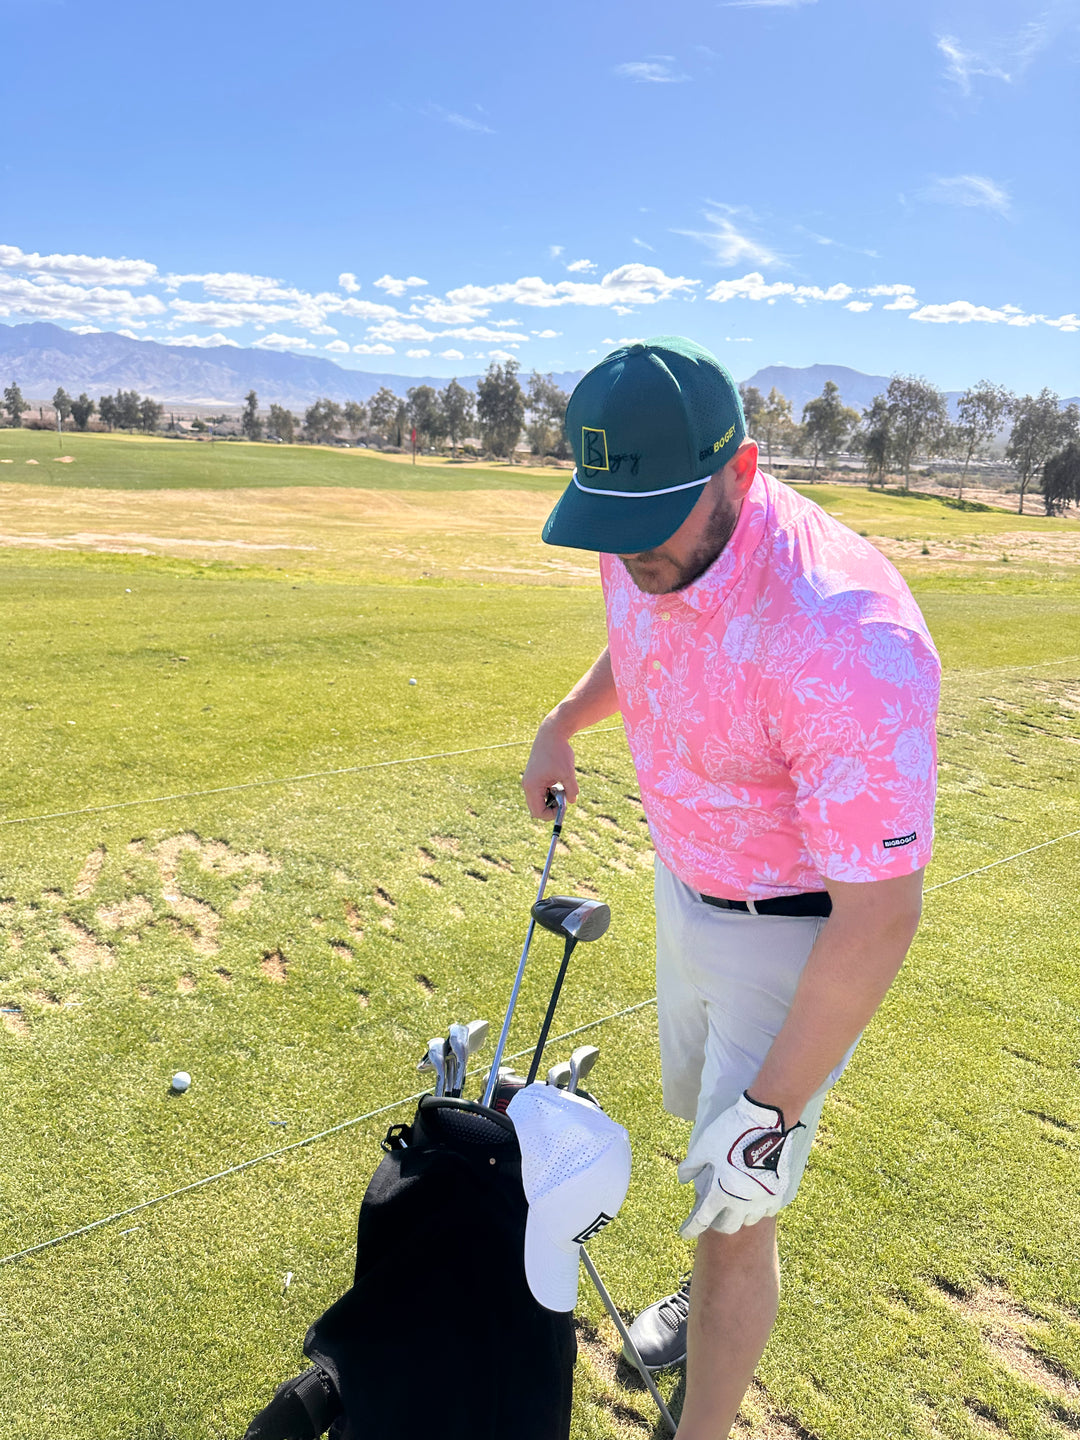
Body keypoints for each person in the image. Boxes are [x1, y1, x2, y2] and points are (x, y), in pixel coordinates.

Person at [522, 337, 939, 1439]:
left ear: (740, 474)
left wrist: (773, 1109)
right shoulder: (643, 529)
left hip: (797, 940)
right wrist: (565, 719)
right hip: (688, 891)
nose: (626, 551)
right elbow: (644, 635)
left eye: (651, 521)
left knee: (738, 1193)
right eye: (610, 524)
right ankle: (705, 1290)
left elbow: (882, 913)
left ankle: (700, 1426)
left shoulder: (848, 635)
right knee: (703, 1154)